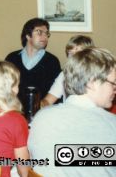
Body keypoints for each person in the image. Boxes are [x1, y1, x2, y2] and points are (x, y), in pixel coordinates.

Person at [28, 47, 116, 176]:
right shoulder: (111, 125)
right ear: (92, 83)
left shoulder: (41, 117)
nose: (115, 89)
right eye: (113, 83)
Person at [5, 18, 61, 111]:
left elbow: (55, 94)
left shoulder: (52, 61)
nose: (44, 36)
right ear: (27, 35)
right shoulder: (12, 58)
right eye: (39, 32)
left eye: (46, 33)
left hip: (41, 112)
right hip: (13, 110)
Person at [41, 35, 94, 107]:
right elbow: (48, 101)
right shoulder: (64, 75)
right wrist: (35, 105)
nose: (73, 57)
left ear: (89, 55)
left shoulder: (96, 75)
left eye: (78, 53)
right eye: (70, 53)